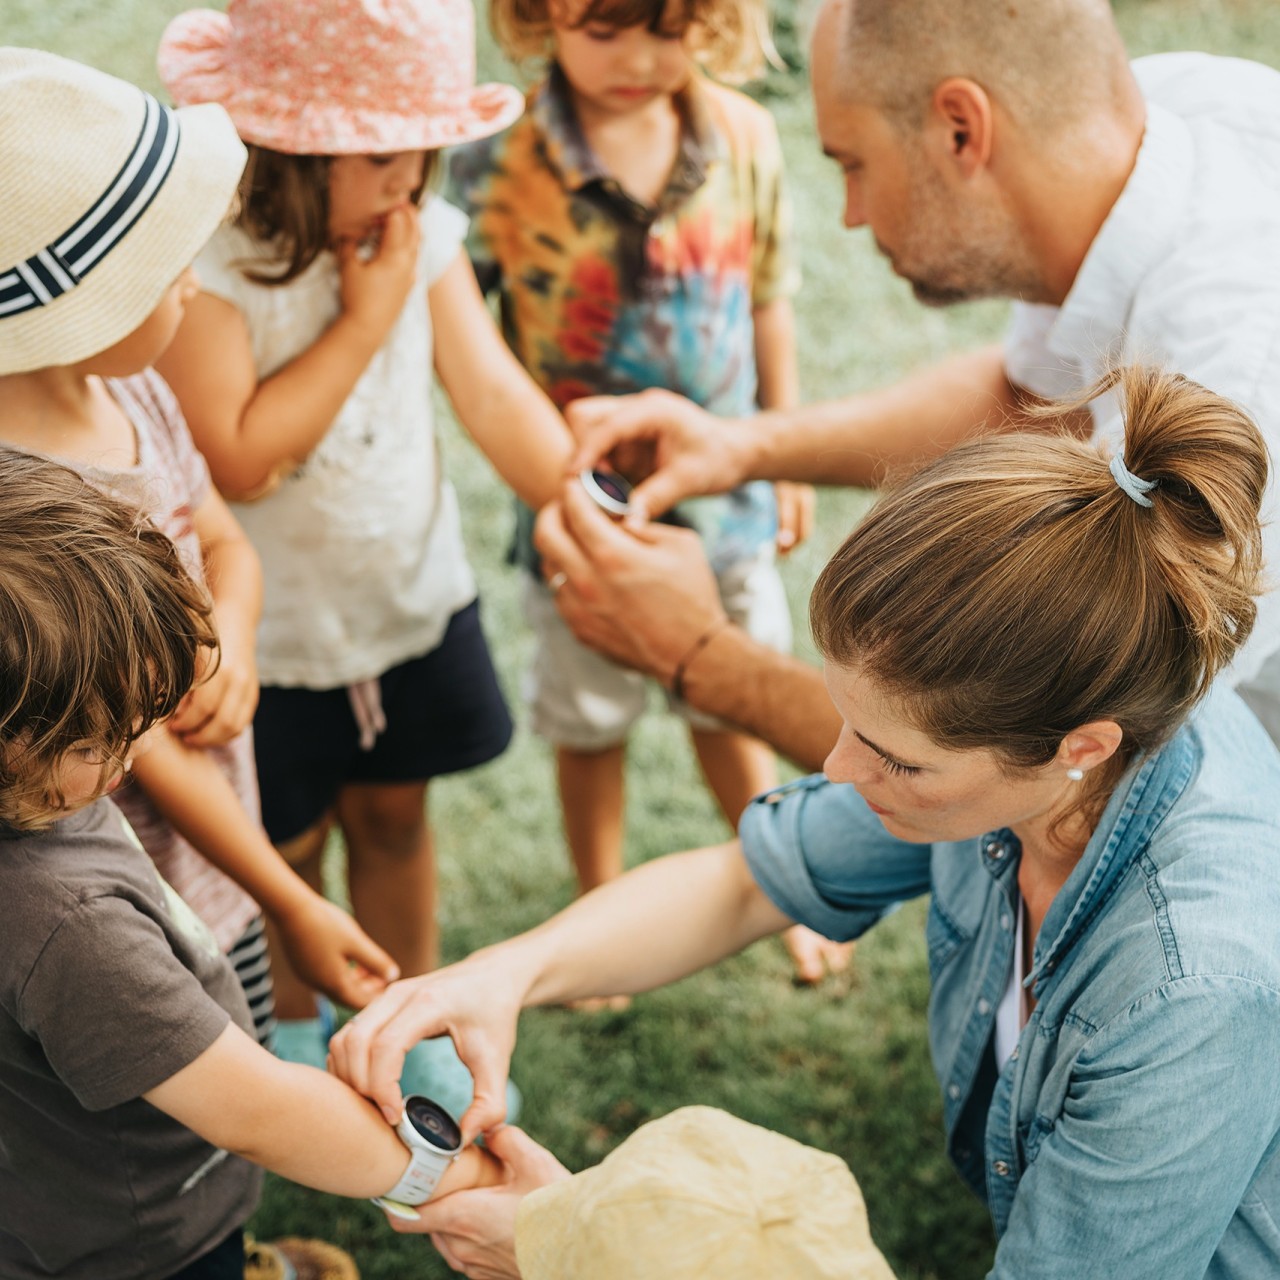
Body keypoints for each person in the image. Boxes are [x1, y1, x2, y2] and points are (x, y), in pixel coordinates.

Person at [332, 366, 1280, 1278]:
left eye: (896, 760)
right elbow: (750, 882)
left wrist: (581, 1250)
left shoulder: (1193, 992)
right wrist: (505, 974)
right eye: (850, 727)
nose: (835, 769)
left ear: (1082, 745)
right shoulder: (1086, 691)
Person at [534, 0, 1280, 773]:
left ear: (962, 129)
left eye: (852, 163)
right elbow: (1029, 403)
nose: (853, 215)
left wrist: (699, 656)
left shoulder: (1238, 384)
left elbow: (1057, 755)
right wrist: (741, 446)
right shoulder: (1138, 127)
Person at [153, 0, 574, 1097]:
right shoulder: (213, 267)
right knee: (284, 845)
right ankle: (297, 1031)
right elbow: (238, 458)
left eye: (425, 154)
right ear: (288, 153)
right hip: (268, 642)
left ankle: (412, 1023)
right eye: (385, 155)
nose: (412, 183)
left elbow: (486, 387)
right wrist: (361, 318)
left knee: (395, 816)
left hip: (402, 602)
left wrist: (574, 498)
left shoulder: (416, 236)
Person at [0, 446, 505, 1280]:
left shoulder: (40, 798)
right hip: (140, 1238)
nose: (127, 761)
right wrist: (459, 1178)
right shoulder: (70, 931)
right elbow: (259, 1112)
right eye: (96, 740)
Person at [0, 48, 396, 1054]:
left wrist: (235, 634)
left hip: (221, 840)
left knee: (243, 1020)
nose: (190, 282)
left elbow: (222, 536)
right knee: (187, 1069)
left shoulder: (130, 392)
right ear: (79, 307)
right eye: (164, 268)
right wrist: (288, 895)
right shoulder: (30, 507)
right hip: (135, 863)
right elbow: (139, 741)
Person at [445, 0, 840, 983]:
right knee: (590, 725)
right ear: (538, 15)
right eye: (603, 28)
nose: (634, 59)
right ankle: (597, 916)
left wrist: (779, 446)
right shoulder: (494, 157)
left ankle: (781, 890)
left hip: (726, 510)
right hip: (581, 515)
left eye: (663, 29)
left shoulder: (743, 133)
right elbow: (472, 345)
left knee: (735, 697)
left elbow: (766, 299)